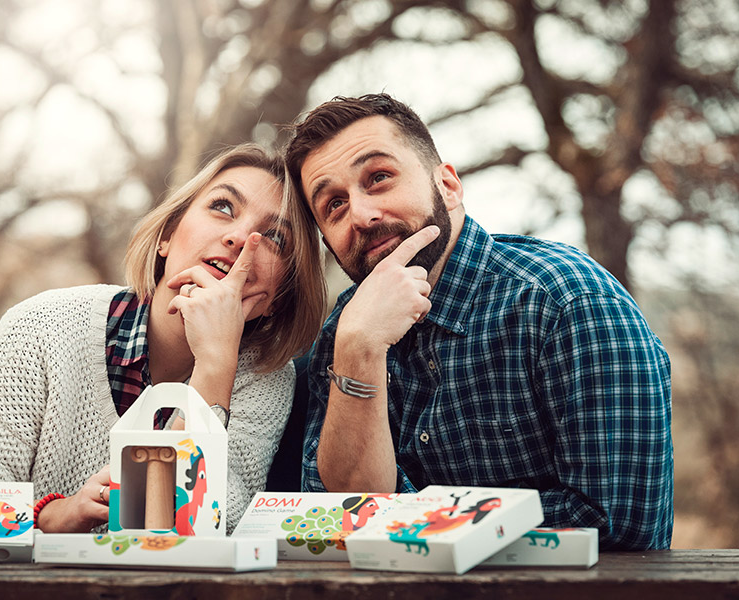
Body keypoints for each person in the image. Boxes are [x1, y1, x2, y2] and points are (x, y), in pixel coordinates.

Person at [284, 93, 673, 550]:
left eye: (380, 178)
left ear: (448, 186)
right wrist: (358, 349)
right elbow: (333, 519)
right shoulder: (348, 329)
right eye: (334, 204)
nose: (363, 215)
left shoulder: (565, 300)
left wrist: (404, 520)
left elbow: (619, 524)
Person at [0, 144, 326, 548]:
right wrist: (48, 516)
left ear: (279, 296)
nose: (239, 237)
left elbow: (207, 524)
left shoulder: (267, 380)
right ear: (166, 236)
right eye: (223, 207)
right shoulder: (42, 327)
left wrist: (215, 365)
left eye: (275, 237)